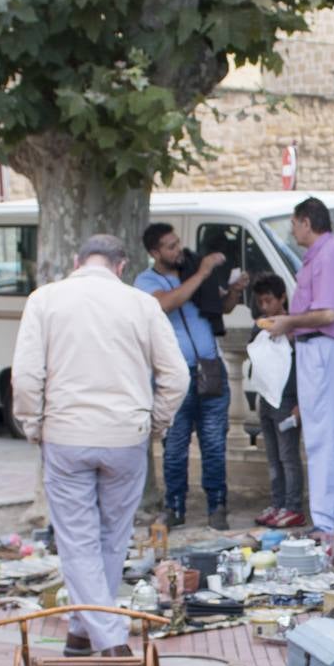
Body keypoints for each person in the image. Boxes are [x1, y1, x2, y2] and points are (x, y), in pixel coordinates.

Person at [12, 234, 187, 655]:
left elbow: (25, 377)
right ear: (121, 265)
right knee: (112, 538)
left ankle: (106, 640)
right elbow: (177, 377)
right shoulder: (141, 304)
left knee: (78, 541)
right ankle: (83, 629)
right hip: (126, 435)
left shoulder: (45, 300)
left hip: (66, 432)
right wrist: (155, 423)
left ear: (77, 260)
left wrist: (33, 425)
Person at [259, 197, 334, 539]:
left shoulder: (329, 253)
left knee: (321, 436)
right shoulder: (327, 252)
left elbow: (328, 312)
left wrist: (287, 322)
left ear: (306, 222)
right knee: (324, 434)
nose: (292, 229)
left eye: (294, 223)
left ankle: (327, 521)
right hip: (318, 346)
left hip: (323, 345)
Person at [133, 222, 242, 529]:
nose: (177, 249)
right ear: (154, 252)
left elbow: (221, 307)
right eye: (169, 246)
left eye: (177, 243)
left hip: (210, 368)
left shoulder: (190, 271)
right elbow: (168, 303)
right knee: (176, 444)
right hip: (173, 376)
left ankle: (217, 505)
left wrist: (233, 290)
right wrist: (203, 273)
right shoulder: (145, 281)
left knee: (213, 442)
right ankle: (175, 507)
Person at [246, 275, 305, 529]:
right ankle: (278, 502)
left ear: (282, 298)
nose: (265, 307)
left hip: (287, 397)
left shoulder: (295, 330)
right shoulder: (258, 327)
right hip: (267, 397)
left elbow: (306, 367)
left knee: (288, 455)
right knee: (272, 455)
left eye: (269, 301)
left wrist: (301, 403)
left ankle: (293, 506)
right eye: (260, 302)